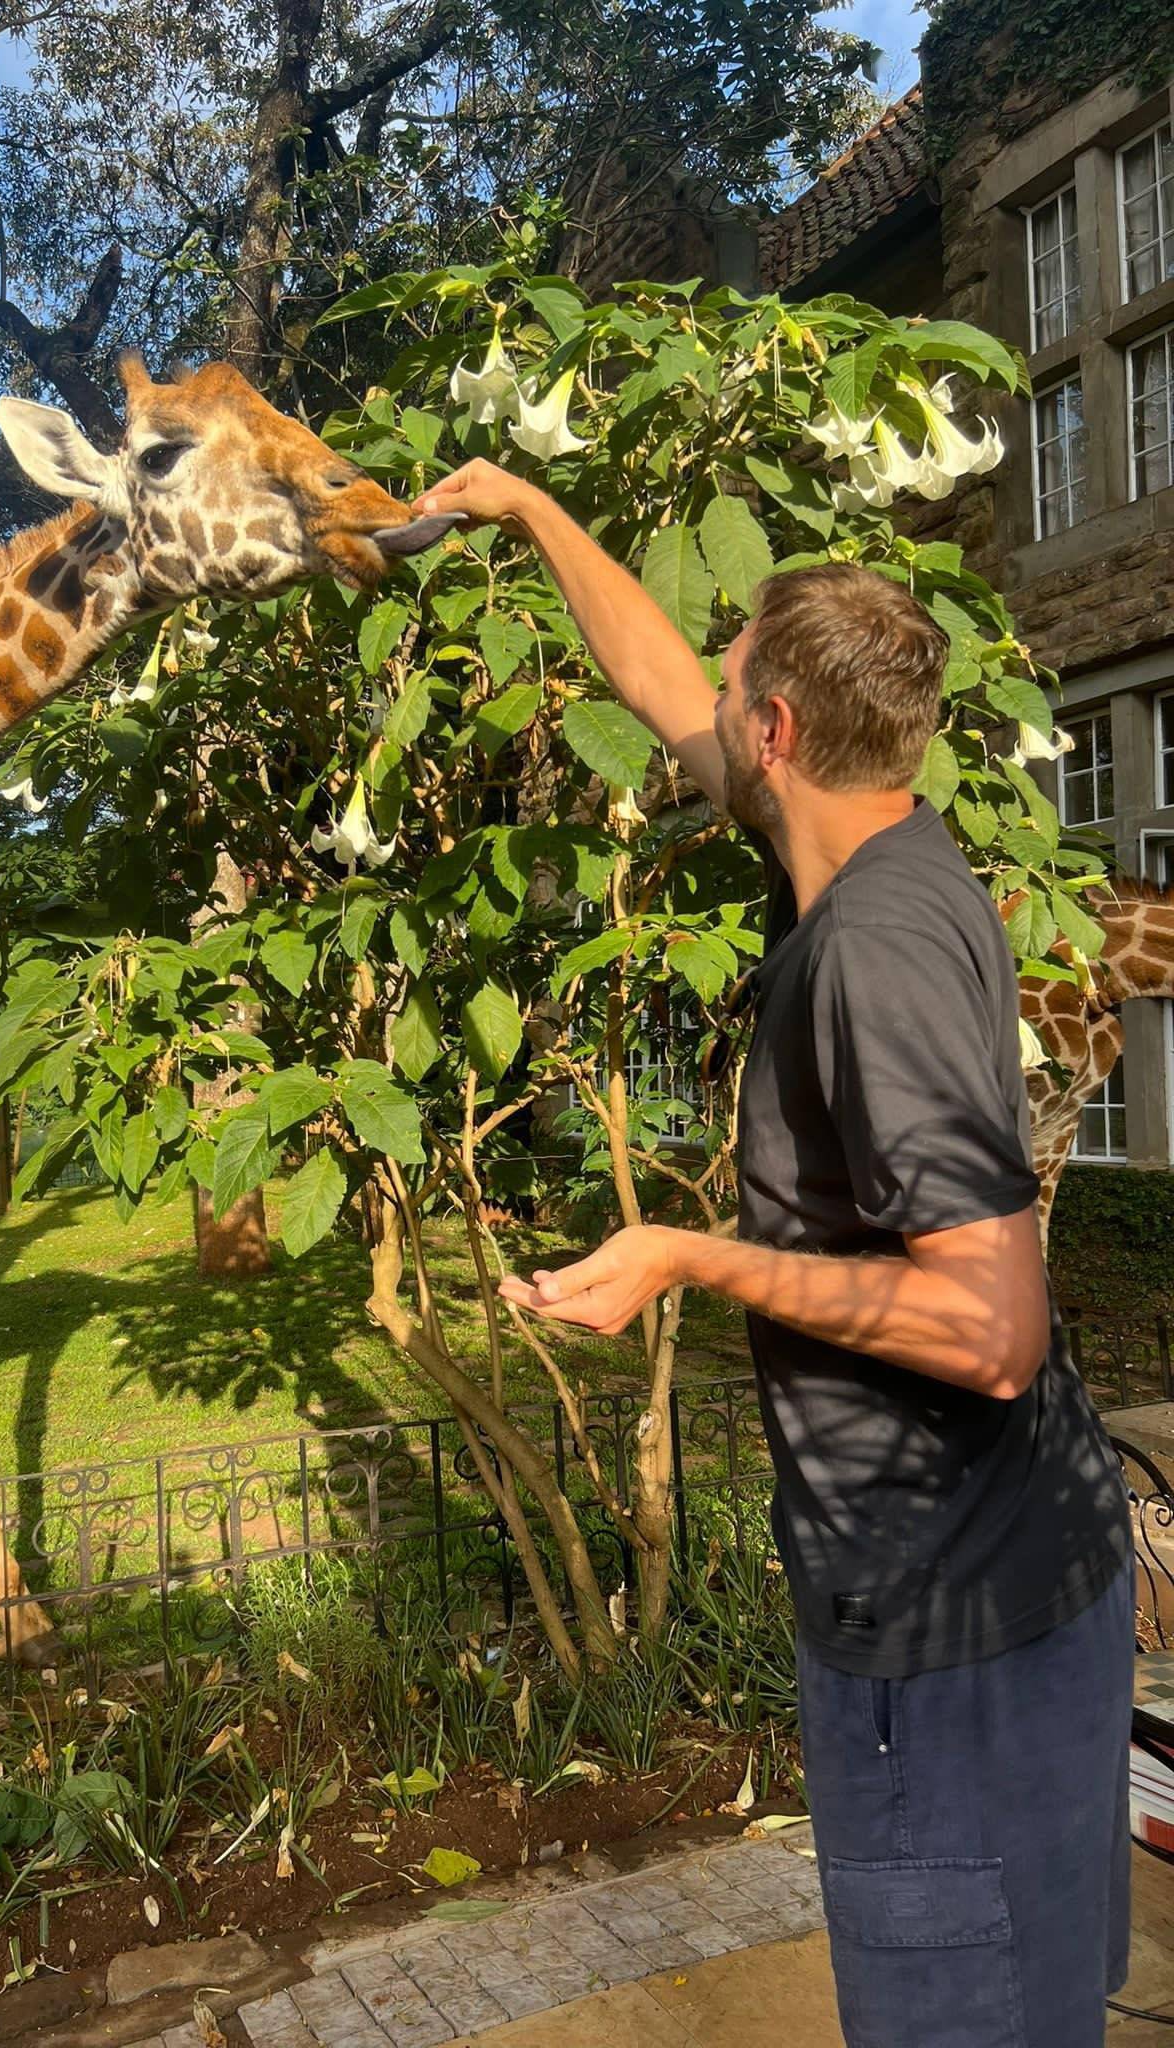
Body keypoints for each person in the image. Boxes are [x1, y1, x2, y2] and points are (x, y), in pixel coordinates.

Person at [412, 459, 1134, 2048]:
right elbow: (662, 678)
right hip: (1017, 1581)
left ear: (782, 734)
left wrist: (693, 1255)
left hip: (954, 1637)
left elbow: (992, 1326)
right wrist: (526, 510)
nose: (710, 709)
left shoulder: (869, 955)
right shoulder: (869, 852)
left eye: (737, 692)